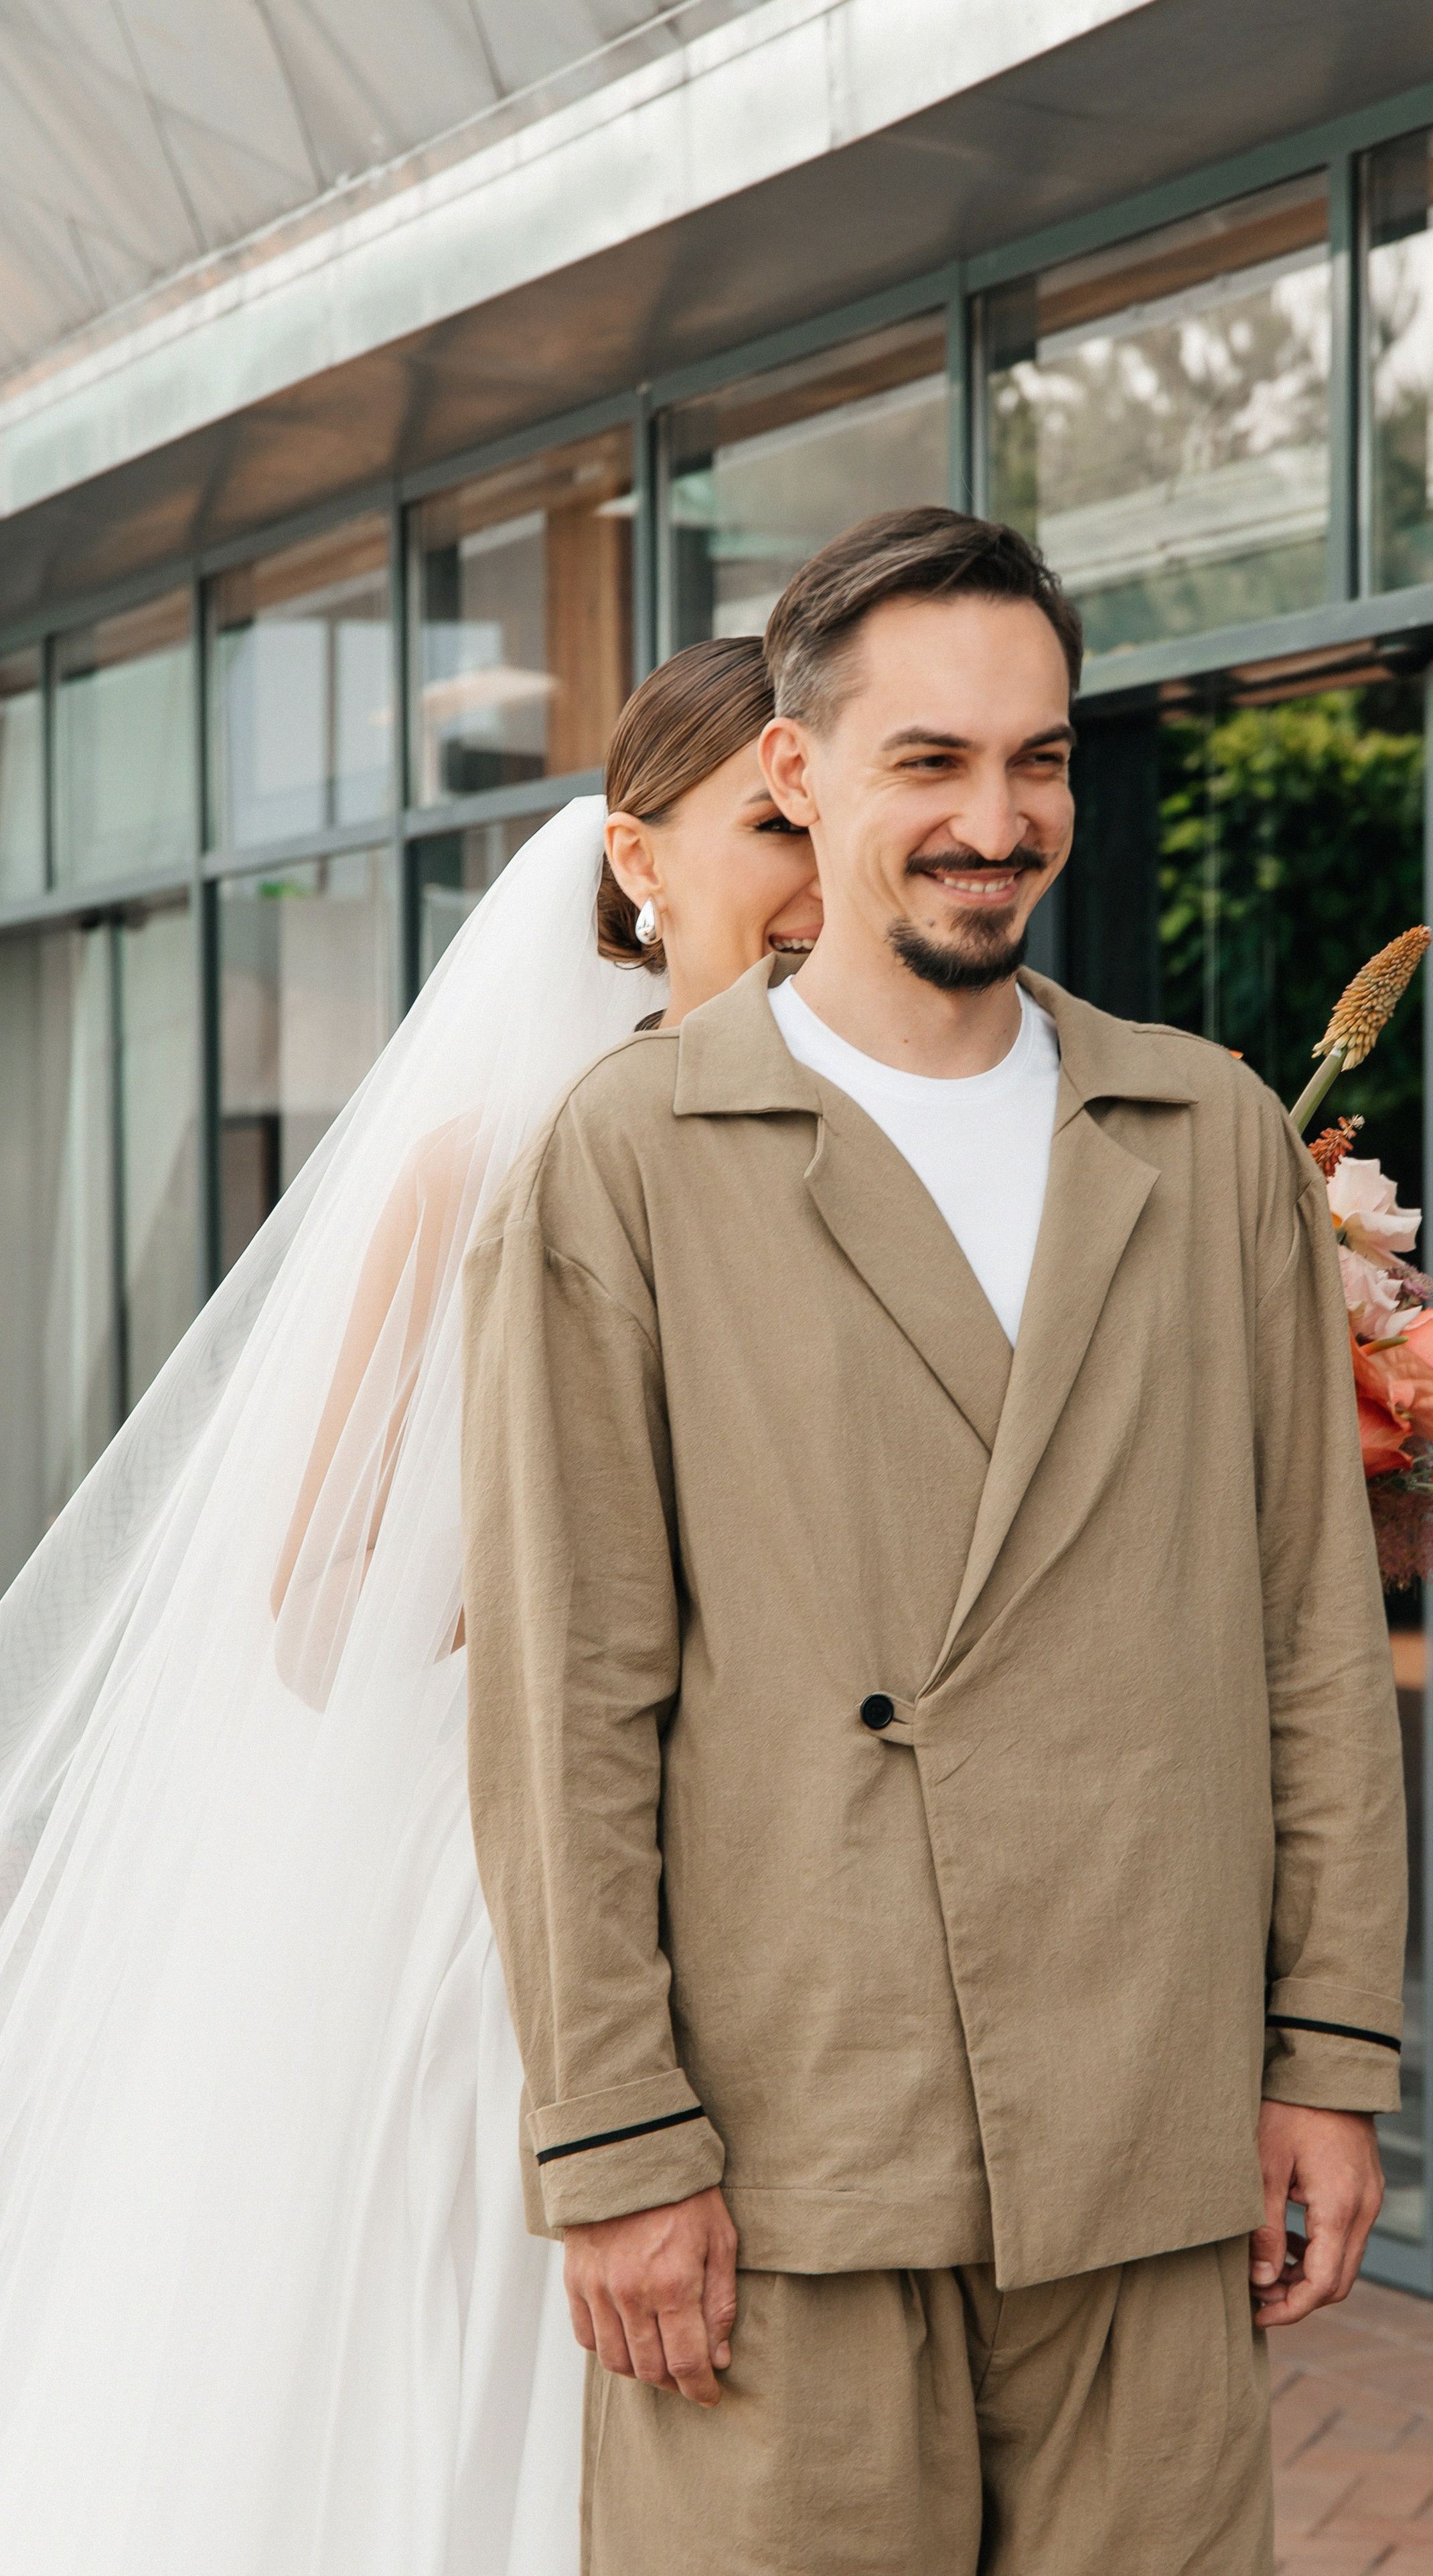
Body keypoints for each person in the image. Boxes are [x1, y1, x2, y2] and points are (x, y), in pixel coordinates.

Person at [463, 508, 1408, 2574]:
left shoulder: (1209, 1131)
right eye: (930, 763)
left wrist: (1326, 2055)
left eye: (1039, 760)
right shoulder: (629, 1160)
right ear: (794, 775)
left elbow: (1306, 1641)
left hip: (1144, 2114)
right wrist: (616, 2138)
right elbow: (569, 1689)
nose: (997, 820)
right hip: (801, 2130)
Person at [0, 637, 818, 2575]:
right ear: (639, 857)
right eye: (778, 819)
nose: (826, 863)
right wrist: (580, 1567)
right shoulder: (484, 1165)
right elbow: (309, 1612)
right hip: (515, 1894)